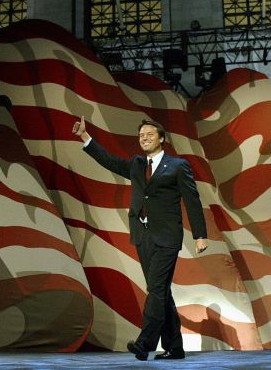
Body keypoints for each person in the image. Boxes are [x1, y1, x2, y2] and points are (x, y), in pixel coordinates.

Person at [72, 116, 208, 361]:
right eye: (141, 136)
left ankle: (145, 343)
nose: (144, 139)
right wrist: (85, 136)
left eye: (149, 135)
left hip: (167, 236)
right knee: (161, 292)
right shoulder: (136, 164)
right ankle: (174, 347)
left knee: (155, 288)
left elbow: (192, 201)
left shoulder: (178, 165)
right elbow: (109, 161)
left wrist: (200, 235)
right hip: (142, 235)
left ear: (162, 139)